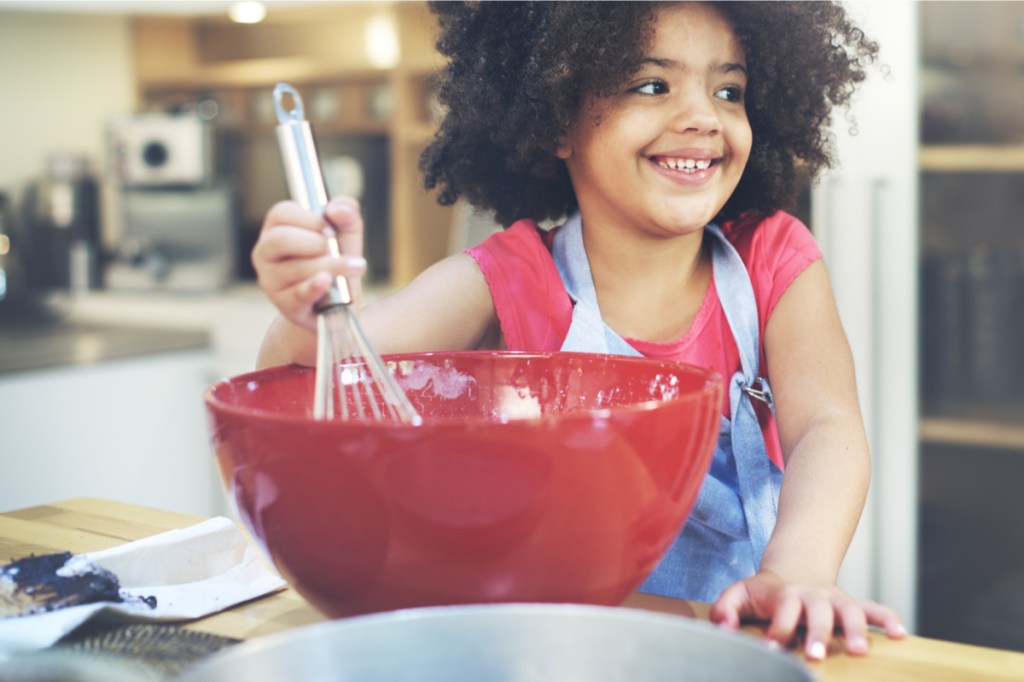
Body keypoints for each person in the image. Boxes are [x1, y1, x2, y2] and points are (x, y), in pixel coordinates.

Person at [252, 1, 907, 660]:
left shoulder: (773, 258)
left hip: (739, 642)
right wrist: (311, 309)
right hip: (564, 653)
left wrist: (796, 572)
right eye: (652, 85)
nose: (703, 117)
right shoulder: (506, 278)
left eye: (728, 90)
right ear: (557, 118)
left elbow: (827, 426)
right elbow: (325, 369)